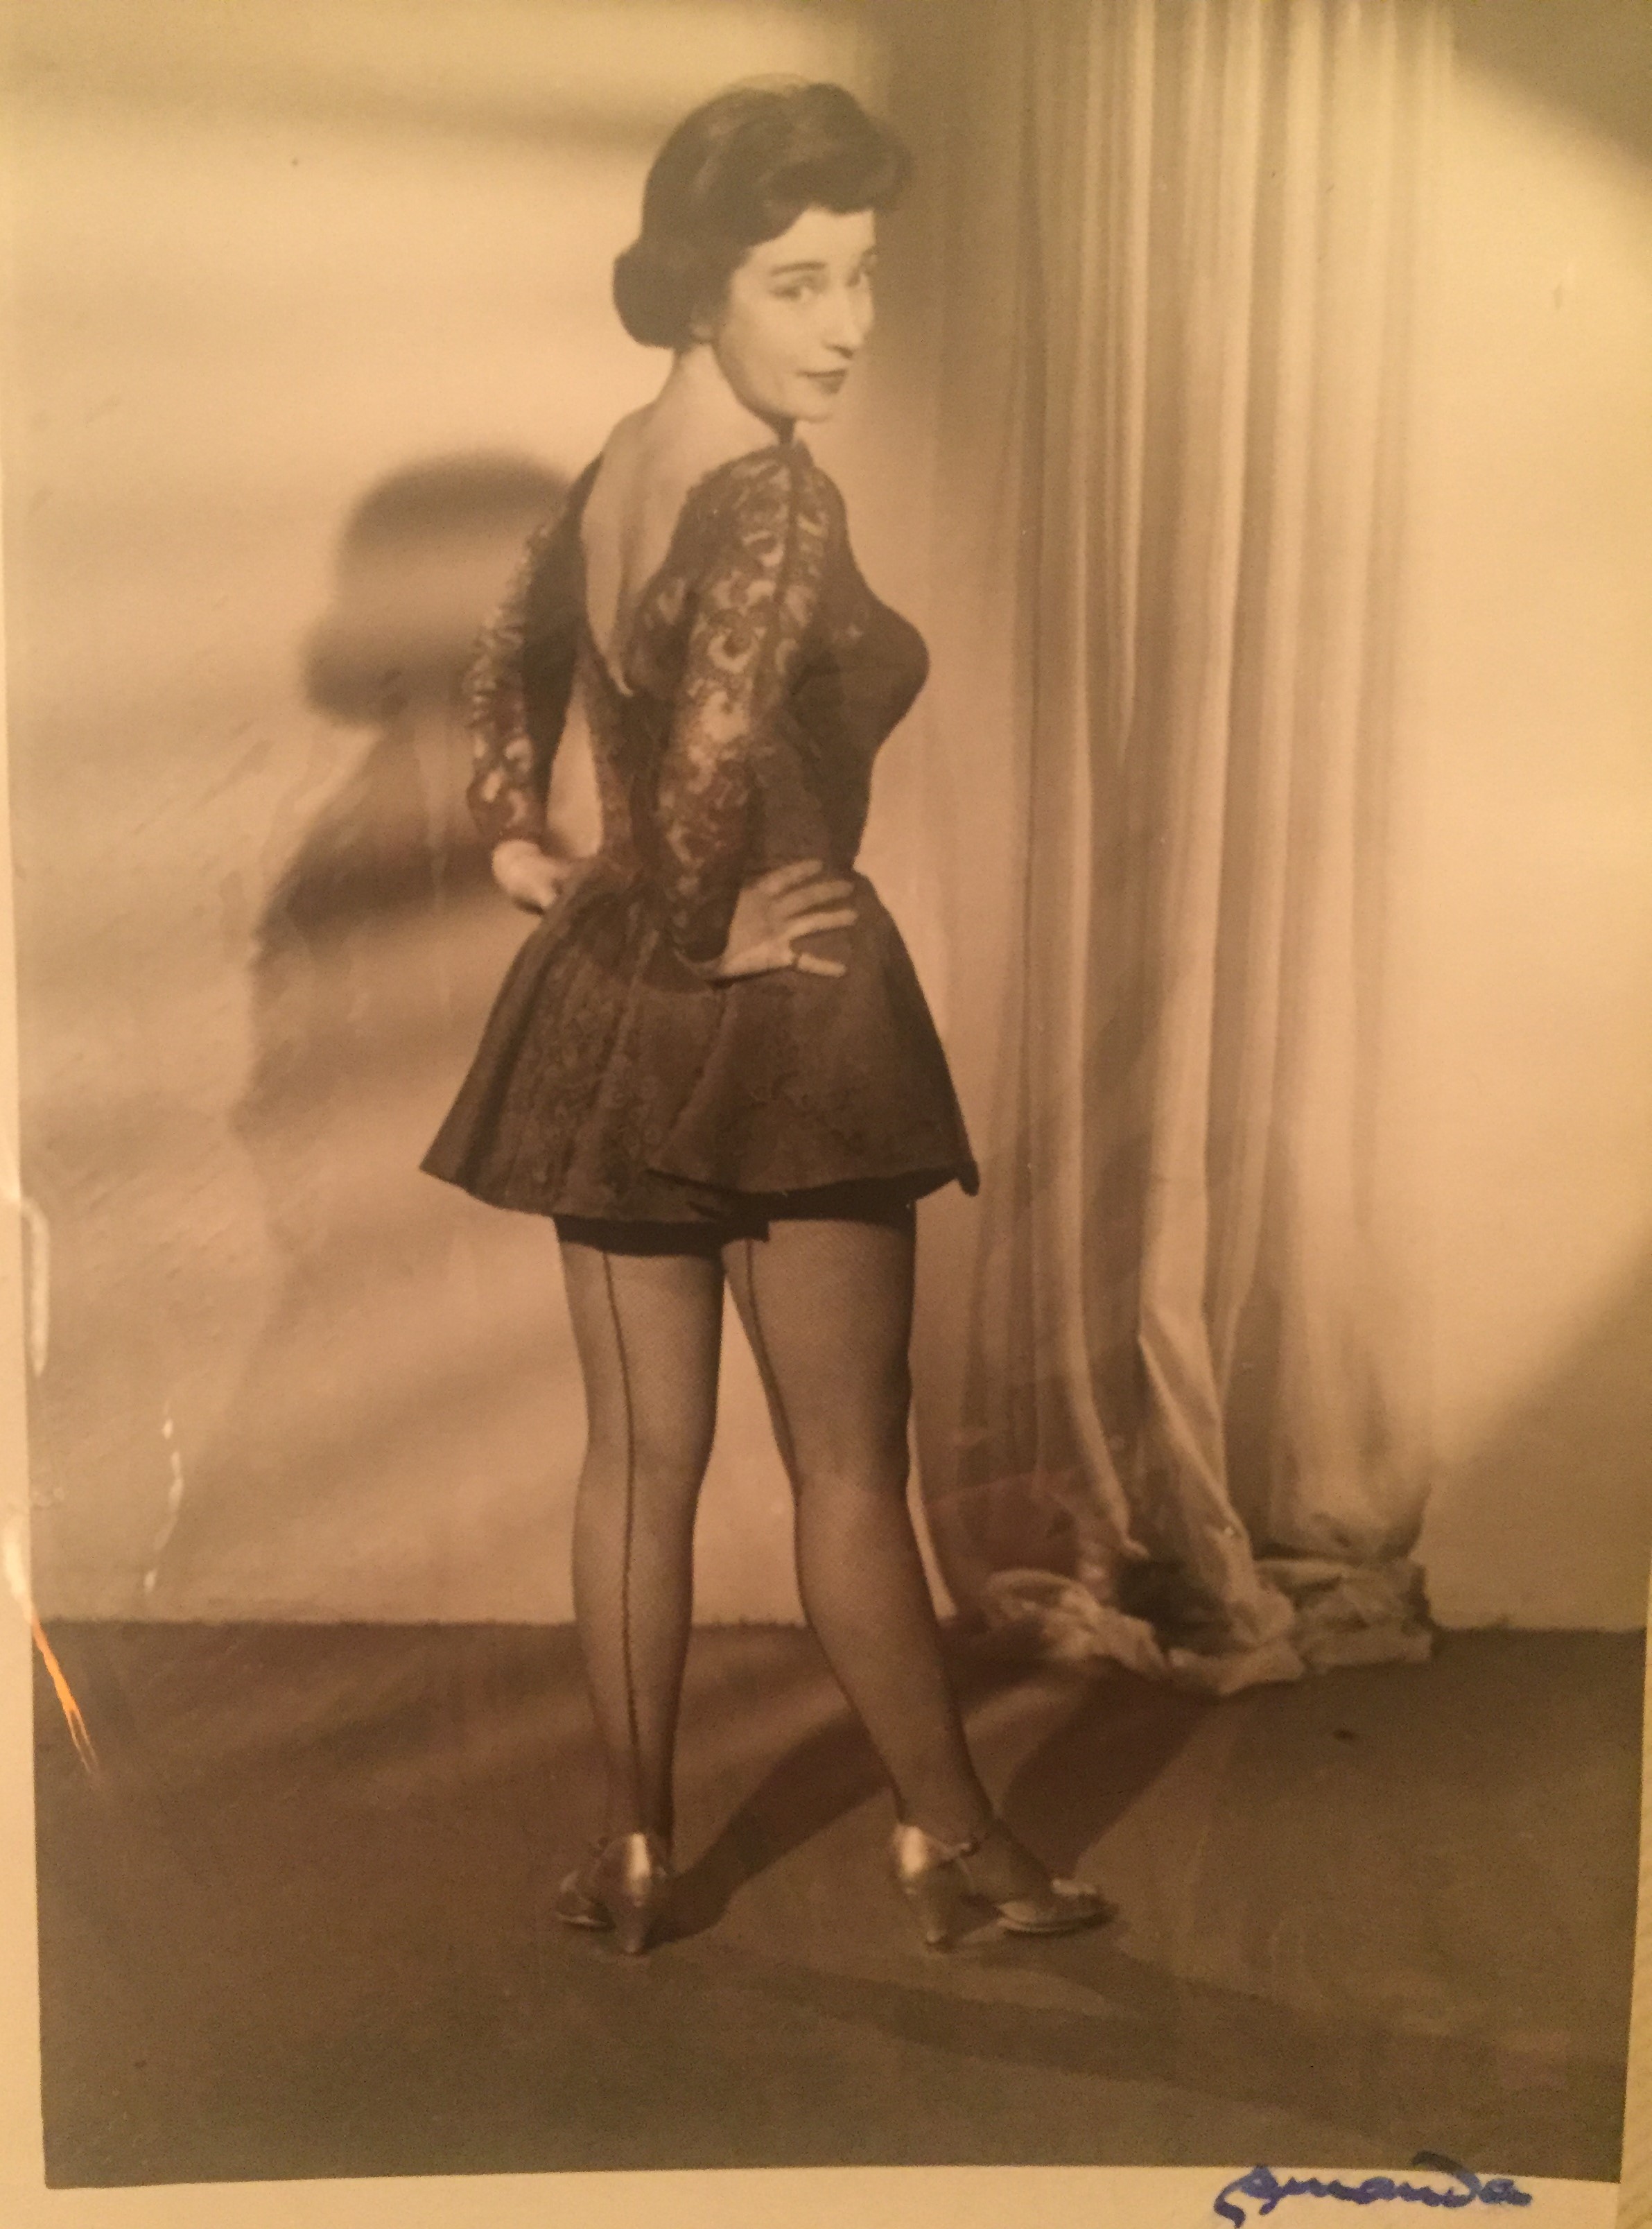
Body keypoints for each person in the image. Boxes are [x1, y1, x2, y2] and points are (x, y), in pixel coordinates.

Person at [422, 78, 1108, 1954]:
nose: (850, 324)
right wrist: (707, 930)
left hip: (606, 1022)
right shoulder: (779, 498)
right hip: (786, 1012)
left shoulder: (611, 468)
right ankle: (954, 1847)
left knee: (638, 1463)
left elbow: (505, 663)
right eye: (800, 284)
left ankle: (639, 1853)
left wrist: (525, 851)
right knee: (847, 1474)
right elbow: (717, 759)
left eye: (864, 277)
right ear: (700, 283)